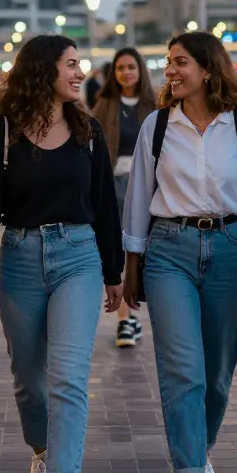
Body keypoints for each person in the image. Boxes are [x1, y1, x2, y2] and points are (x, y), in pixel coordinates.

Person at [0, 34, 122, 473]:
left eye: (80, 63)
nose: (80, 73)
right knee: (30, 382)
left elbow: (106, 206)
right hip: (19, 258)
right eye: (70, 64)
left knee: (69, 379)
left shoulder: (87, 133)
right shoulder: (5, 131)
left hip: (79, 257)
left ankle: (62, 470)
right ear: (43, 70)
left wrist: (114, 272)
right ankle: (42, 449)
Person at [121, 31, 237, 473]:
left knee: (218, 372)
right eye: (169, 62)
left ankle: (198, 445)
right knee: (182, 367)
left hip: (229, 248)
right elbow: (136, 200)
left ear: (208, 69)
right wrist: (132, 263)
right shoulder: (158, 126)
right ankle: (190, 466)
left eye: (181, 62)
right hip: (169, 249)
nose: (170, 71)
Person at [91, 47, 156, 348]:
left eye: (131, 67)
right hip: (114, 185)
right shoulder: (105, 105)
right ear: (113, 73)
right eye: (120, 68)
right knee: (118, 251)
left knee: (142, 253)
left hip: (147, 187)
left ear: (140, 71)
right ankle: (124, 321)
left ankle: (135, 315)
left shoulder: (154, 105)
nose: (126, 72)